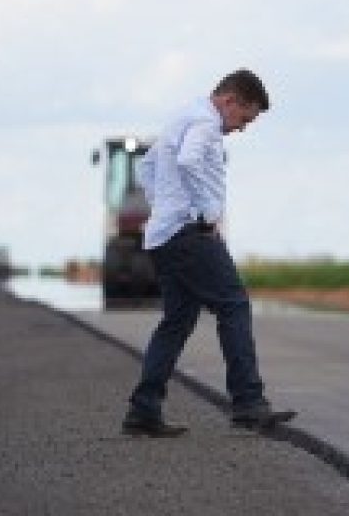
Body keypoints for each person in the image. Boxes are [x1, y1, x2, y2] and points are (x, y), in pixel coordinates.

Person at [122, 69, 296, 437]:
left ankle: (143, 409)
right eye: (244, 118)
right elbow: (186, 162)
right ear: (229, 100)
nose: (242, 128)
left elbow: (146, 166)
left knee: (177, 321)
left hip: (166, 235)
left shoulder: (183, 116)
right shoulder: (204, 123)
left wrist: (164, 205)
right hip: (190, 234)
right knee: (233, 305)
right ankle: (248, 403)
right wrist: (204, 212)